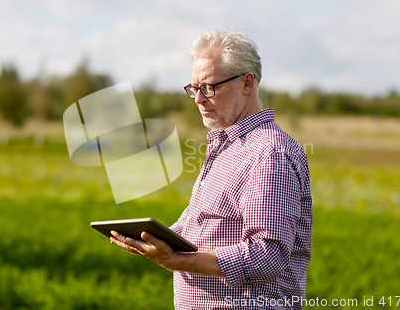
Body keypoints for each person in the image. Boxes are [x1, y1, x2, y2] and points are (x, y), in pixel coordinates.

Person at [110, 29, 312, 309]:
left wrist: (174, 259)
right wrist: (152, 239)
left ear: (247, 83)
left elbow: (268, 256)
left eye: (209, 87)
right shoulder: (226, 146)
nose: (198, 99)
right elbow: (200, 227)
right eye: (194, 89)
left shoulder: (269, 154)